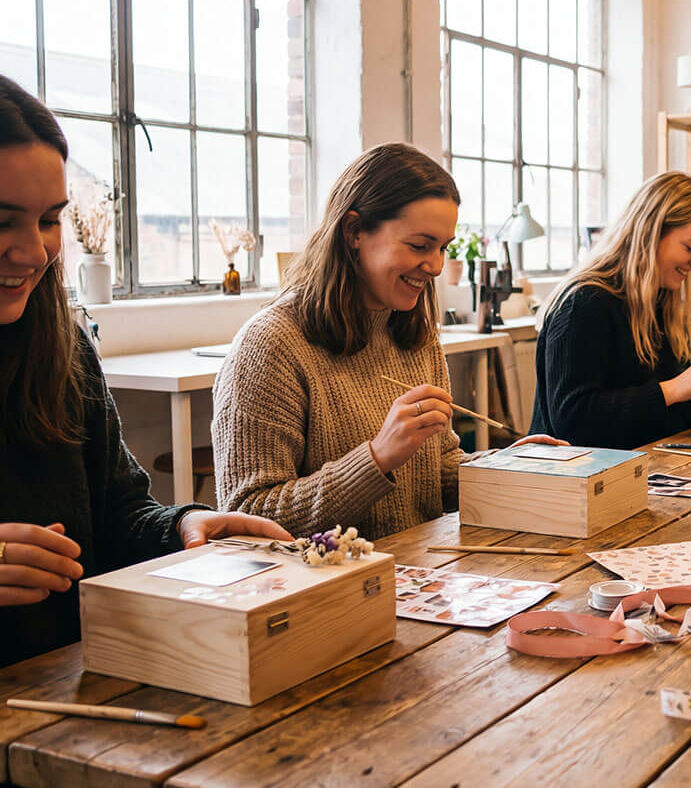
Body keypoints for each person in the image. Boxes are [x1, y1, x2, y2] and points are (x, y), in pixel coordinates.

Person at [0, 76, 291, 674]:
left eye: (50, 220)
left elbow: (118, 513)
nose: (32, 252)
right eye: (3, 221)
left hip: (69, 686)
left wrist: (184, 524)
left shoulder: (61, 343)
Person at [214, 143, 558, 542]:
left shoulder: (415, 334)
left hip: (421, 579)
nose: (435, 266)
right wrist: (376, 459)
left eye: (443, 247)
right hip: (330, 593)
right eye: (419, 245)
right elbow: (245, 519)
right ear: (354, 231)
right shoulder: (270, 347)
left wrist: (502, 469)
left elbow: (435, 473)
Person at [531, 172, 691, 449]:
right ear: (650, 233)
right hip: (573, 478)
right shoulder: (584, 303)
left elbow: (652, 415)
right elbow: (573, 421)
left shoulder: (658, 299)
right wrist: (673, 389)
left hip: (639, 466)